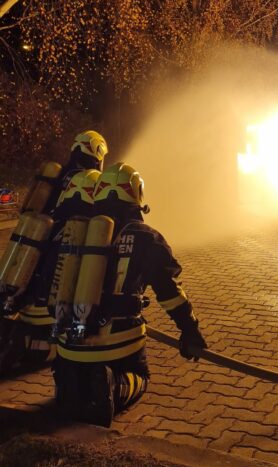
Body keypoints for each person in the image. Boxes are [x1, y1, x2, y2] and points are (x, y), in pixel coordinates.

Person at [54, 162, 207, 427]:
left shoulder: (74, 231)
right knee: (141, 376)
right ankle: (114, 384)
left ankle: (70, 382)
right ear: (136, 195)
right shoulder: (148, 238)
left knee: (74, 371)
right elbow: (168, 293)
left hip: (68, 340)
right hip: (117, 339)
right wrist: (190, 329)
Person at [0, 131, 107, 375]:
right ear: (98, 153)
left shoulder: (58, 175)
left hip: (43, 238)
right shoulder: (89, 179)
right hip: (67, 247)